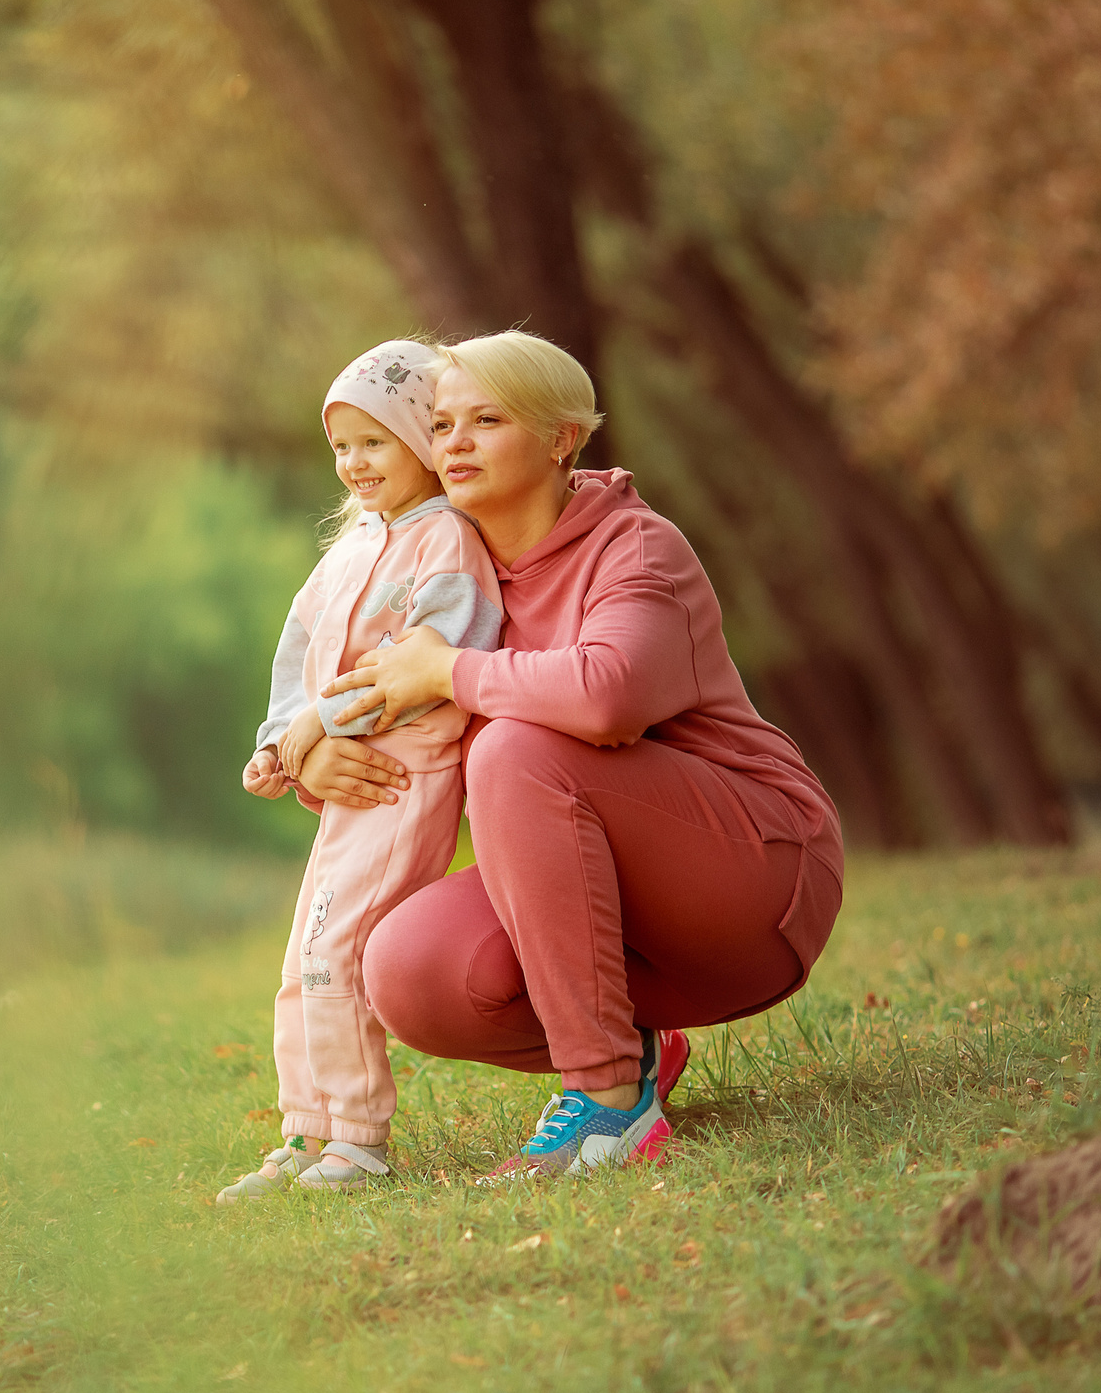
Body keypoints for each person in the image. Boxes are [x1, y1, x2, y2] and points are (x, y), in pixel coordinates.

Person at [303, 331, 843, 1180]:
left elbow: (607, 697)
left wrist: (449, 668)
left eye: (486, 420)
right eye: (442, 425)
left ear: (561, 438)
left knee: (517, 749)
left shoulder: (634, 548)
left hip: (755, 875)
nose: (456, 444)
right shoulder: (454, 572)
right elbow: (388, 706)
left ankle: (606, 1100)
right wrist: (315, 759)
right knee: (403, 968)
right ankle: (634, 1049)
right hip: (611, 905)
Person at [221, 341, 503, 1202]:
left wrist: (317, 726)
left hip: (401, 778)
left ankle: (358, 1138)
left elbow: (429, 662)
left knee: (337, 948)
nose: (353, 462)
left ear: (424, 438)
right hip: (347, 780)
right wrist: (281, 741)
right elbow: (296, 658)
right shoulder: (344, 554)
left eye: (374, 442)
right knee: (303, 952)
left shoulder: (447, 542)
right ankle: (305, 1128)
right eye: (341, 446)